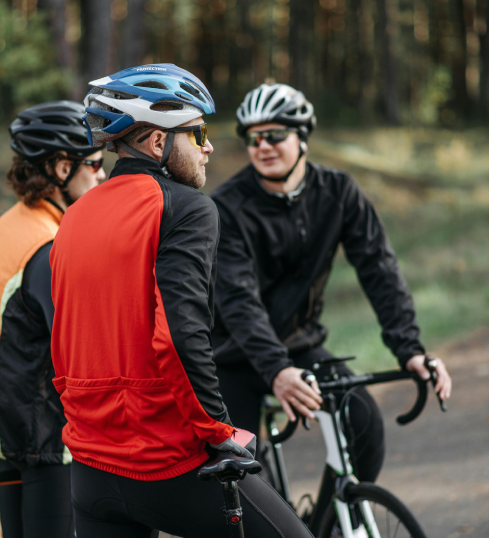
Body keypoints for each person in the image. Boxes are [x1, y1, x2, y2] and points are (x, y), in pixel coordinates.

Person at [50, 63, 313, 537]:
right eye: (197, 132)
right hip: (166, 462)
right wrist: (219, 431)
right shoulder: (186, 208)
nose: (209, 146)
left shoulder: (73, 217)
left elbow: (66, 336)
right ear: (157, 142)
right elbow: (179, 335)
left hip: (91, 470)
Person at [209, 82, 452, 524]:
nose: (262, 146)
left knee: (362, 419)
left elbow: (379, 270)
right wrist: (276, 369)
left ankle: (324, 526)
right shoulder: (226, 207)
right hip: (234, 355)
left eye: (275, 134)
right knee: (238, 469)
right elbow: (238, 301)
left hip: (301, 346)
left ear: (302, 137)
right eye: (252, 137)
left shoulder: (338, 193)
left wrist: (410, 349)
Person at [0, 100, 105, 538]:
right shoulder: (50, 246)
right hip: (47, 434)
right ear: (61, 167)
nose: (102, 175)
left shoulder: (14, 223)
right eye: (96, 164)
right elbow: (83, 350)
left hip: (11, 424)